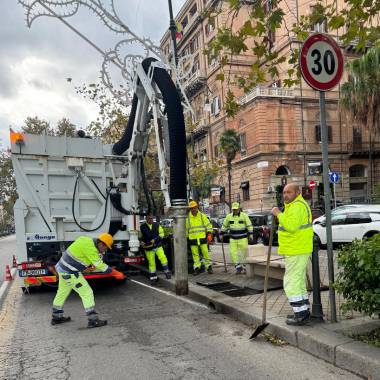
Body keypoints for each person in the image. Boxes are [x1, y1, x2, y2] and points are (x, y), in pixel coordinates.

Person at [51, 233, 124, 328]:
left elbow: (78, 255)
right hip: (70, 272)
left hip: (62, 268)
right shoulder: (91, 249)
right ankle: (93, 320)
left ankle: (56, 317)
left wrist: (84, 267)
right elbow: (101, 266)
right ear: (102, 244)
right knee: (87, 292)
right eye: (106, 248)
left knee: (62, 293)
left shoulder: (87, 240)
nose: (105, 251)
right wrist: (117, 273)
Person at [271, 183, 313, 326]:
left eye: (289, 192)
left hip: (296, 249)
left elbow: (291, 227)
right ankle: (303, 311)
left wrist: (278, 214)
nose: (285, 195)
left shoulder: (297, 206)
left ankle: (300, 315)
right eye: (284, 192)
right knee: (299, 281)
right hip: (297, 249)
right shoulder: (296, 205)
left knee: (290, 283)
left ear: (297, 192)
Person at [221, 202, 253, 274]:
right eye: (233, 209)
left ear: (239, 209)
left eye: (236, 209)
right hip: (233, 239)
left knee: (244, 253)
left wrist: (251, 234)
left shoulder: (244, 216)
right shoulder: (229, 216)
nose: (235, 211)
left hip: (243, 238)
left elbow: (249, 225)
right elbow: (224, 226)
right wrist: (221, 233)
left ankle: (245, 267)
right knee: (233, 253)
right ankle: (238, 267)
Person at [140, 213, 171, 282]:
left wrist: (155, 239)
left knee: (163, 258)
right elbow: (140, 236)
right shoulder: (142, 227)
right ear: (146, 219)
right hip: (148, 247)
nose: (151, 220)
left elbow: (162, 234)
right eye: (149, 218)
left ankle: (167, 271)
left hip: (157, 245)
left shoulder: (157, 225)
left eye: (151, 218)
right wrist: (141, 241)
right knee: (151, 262)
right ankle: (153, 276)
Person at [186, 201, 213, 275]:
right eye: (192, 208)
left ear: (197, 207)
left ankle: (209, 267)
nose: (194, 209)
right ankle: (197, 268)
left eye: (195, 207)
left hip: (202, 238)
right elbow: (186, 229)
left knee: (205, 253)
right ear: (190, 209)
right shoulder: (187, 218)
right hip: (193, 239)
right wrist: (187, 238)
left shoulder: (202, 216)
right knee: (195, 255)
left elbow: (208, 225)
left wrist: (209, 233)